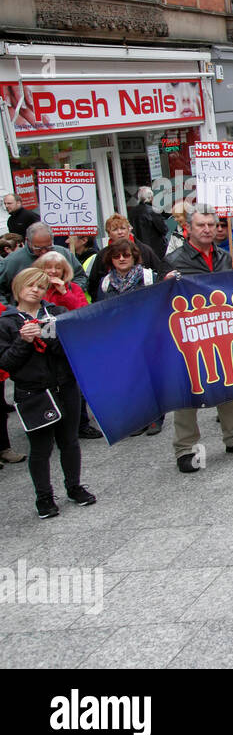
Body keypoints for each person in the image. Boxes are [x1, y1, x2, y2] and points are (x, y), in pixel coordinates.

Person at [166, 207, 233, 473]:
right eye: (201, 225)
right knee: (187, 393)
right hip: (190, 337)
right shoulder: (174, 260)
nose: (208, 229)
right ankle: (186, 449)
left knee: (229, 385)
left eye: (212, 224)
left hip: (221, 333)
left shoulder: (224, 256)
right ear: (189, 228)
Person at [0, 268, 98, 518]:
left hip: (65, 386)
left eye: (41, 287)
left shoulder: (56, 313)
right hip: (33, 392)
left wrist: (49, 334)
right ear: (18, 288)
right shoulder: (7, 322)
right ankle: (44, 497)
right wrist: (23, 341)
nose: (35, 290)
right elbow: (7, 364)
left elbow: (70, 350)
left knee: (70, 441)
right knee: (41, 448)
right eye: (30, 285)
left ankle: (74, 487)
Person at [99, 238, 177, 434]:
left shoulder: (148, 276)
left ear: (134, 257)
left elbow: (161, 298)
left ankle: (155, 418)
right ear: (111, 259)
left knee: (151, 377)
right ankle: (139, 417)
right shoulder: (106, 282)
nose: (122, 259)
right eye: (117, 256)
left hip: (147, 332)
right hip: (121, 336)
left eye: (126, 255)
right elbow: (102, 309)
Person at [1, 222, 90, 305]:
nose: (44, 252)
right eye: (38, 248)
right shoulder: (12, 261)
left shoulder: (63, 253)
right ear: (28, 241)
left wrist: (69, 290)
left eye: (48, 247)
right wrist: (9, 310)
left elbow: (80, 276)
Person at [128, 186, 169, 262]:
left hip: (139, 248)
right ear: (151, 198)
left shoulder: (132, 212)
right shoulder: (153, 211)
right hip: (156, 249)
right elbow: (164, 229)